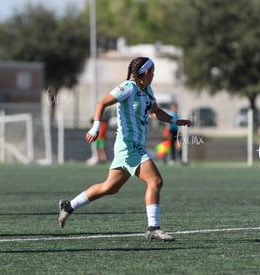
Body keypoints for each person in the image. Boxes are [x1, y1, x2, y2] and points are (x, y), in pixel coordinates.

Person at [58, 57, 191, 241]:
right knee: (155, 181)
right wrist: (96, 127)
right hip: (129, 145)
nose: (154, 75)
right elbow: (102, 103)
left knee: (109, 187)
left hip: (132, 146)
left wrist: (176, 121)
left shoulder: (147, 90)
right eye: (153, 71)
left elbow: (155, 112)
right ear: (146, 73)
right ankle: (153, 227)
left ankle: (69, 206)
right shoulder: (128, 87)